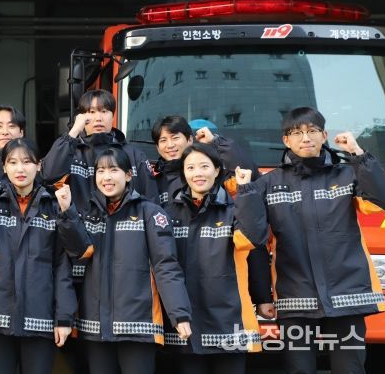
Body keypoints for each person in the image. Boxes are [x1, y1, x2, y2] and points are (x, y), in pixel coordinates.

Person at [252, 107, 385, 374]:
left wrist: (358, 155)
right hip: (294, 298)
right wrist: (262, 296)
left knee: (349, 368)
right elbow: (256, 243)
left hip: (346, 294)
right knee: (299, 369)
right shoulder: (268, 184)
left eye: (312, 131)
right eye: (297, 133)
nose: (305, 138)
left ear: (324, 135)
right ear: (286, 140)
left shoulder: (348, 175)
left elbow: (384, 199)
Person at [59, 147, 192, 374]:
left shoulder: (150, 213)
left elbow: (166, 266)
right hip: (95, 326)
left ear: (129, 175)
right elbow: (77, 253)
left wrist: (179, 314)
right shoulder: (86, 214)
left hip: (138, 325)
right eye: (101, 171)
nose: (107, 177)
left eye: (114, 170)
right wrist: (67, 212)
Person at [0, 138, 77, 374]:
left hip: (40, 316)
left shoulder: (54, 206)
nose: (20, 168)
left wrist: (64, 318)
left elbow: (62, 266)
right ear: (4, 167)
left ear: (39, 166)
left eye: (27, 162)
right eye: (13, 162)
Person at [150, 115, 274, 317]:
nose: (170, 145)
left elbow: (248, 177)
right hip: (172, 288)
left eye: (175, 137)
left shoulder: (216, 181)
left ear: (190, 140)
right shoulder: (152, 183)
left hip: (219, 291)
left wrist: (262, 296)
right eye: (163, 140)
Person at [162, 143, 268, 374]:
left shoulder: (234, 209)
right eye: (190, 168)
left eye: (204, 166)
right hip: (187, 322)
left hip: (229, 318)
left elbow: (252, 238)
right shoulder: (168, 214)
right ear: (183, 173)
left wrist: (246, 190)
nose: (197, 173)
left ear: (217, 170)